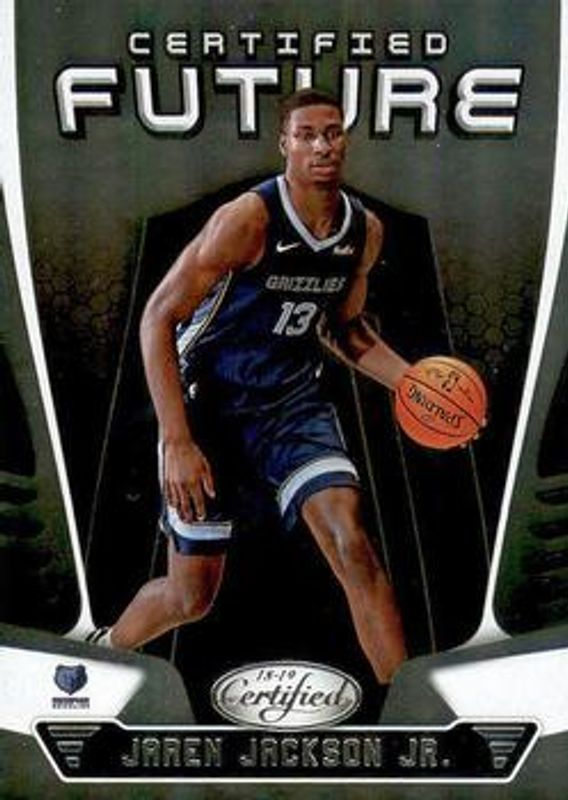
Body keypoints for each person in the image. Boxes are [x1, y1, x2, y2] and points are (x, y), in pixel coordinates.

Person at [87, 88, 408, 685]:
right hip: (210, 408)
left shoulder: (364, 230)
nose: (322, 145)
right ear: (285, 144)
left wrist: (411, 382)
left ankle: (408, 705)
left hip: (292, 408)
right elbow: (158, 317)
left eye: (333, 132)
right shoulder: (248, 219)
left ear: (345, 141)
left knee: (352, 543)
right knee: (190, 596)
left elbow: (342, 329)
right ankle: (103, 651)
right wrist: (177, 440)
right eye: (307, 135)